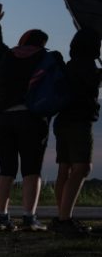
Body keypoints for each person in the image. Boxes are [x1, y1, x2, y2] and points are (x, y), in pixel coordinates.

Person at [0, 4, 53, 231]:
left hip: (1, 119)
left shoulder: (6, 56)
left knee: (6, 170)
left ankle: (1, 216)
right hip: (31, 119)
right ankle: (29, 218)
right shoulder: (47, 59)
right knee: (31, 170)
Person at [50, 28, 101, 237]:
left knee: (65, 168)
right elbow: (88, 86)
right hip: (79, 122)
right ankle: (65, 219)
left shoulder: (70, 66)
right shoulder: (87, 66)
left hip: (62, 120)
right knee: (82, 168)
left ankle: (63, 217)